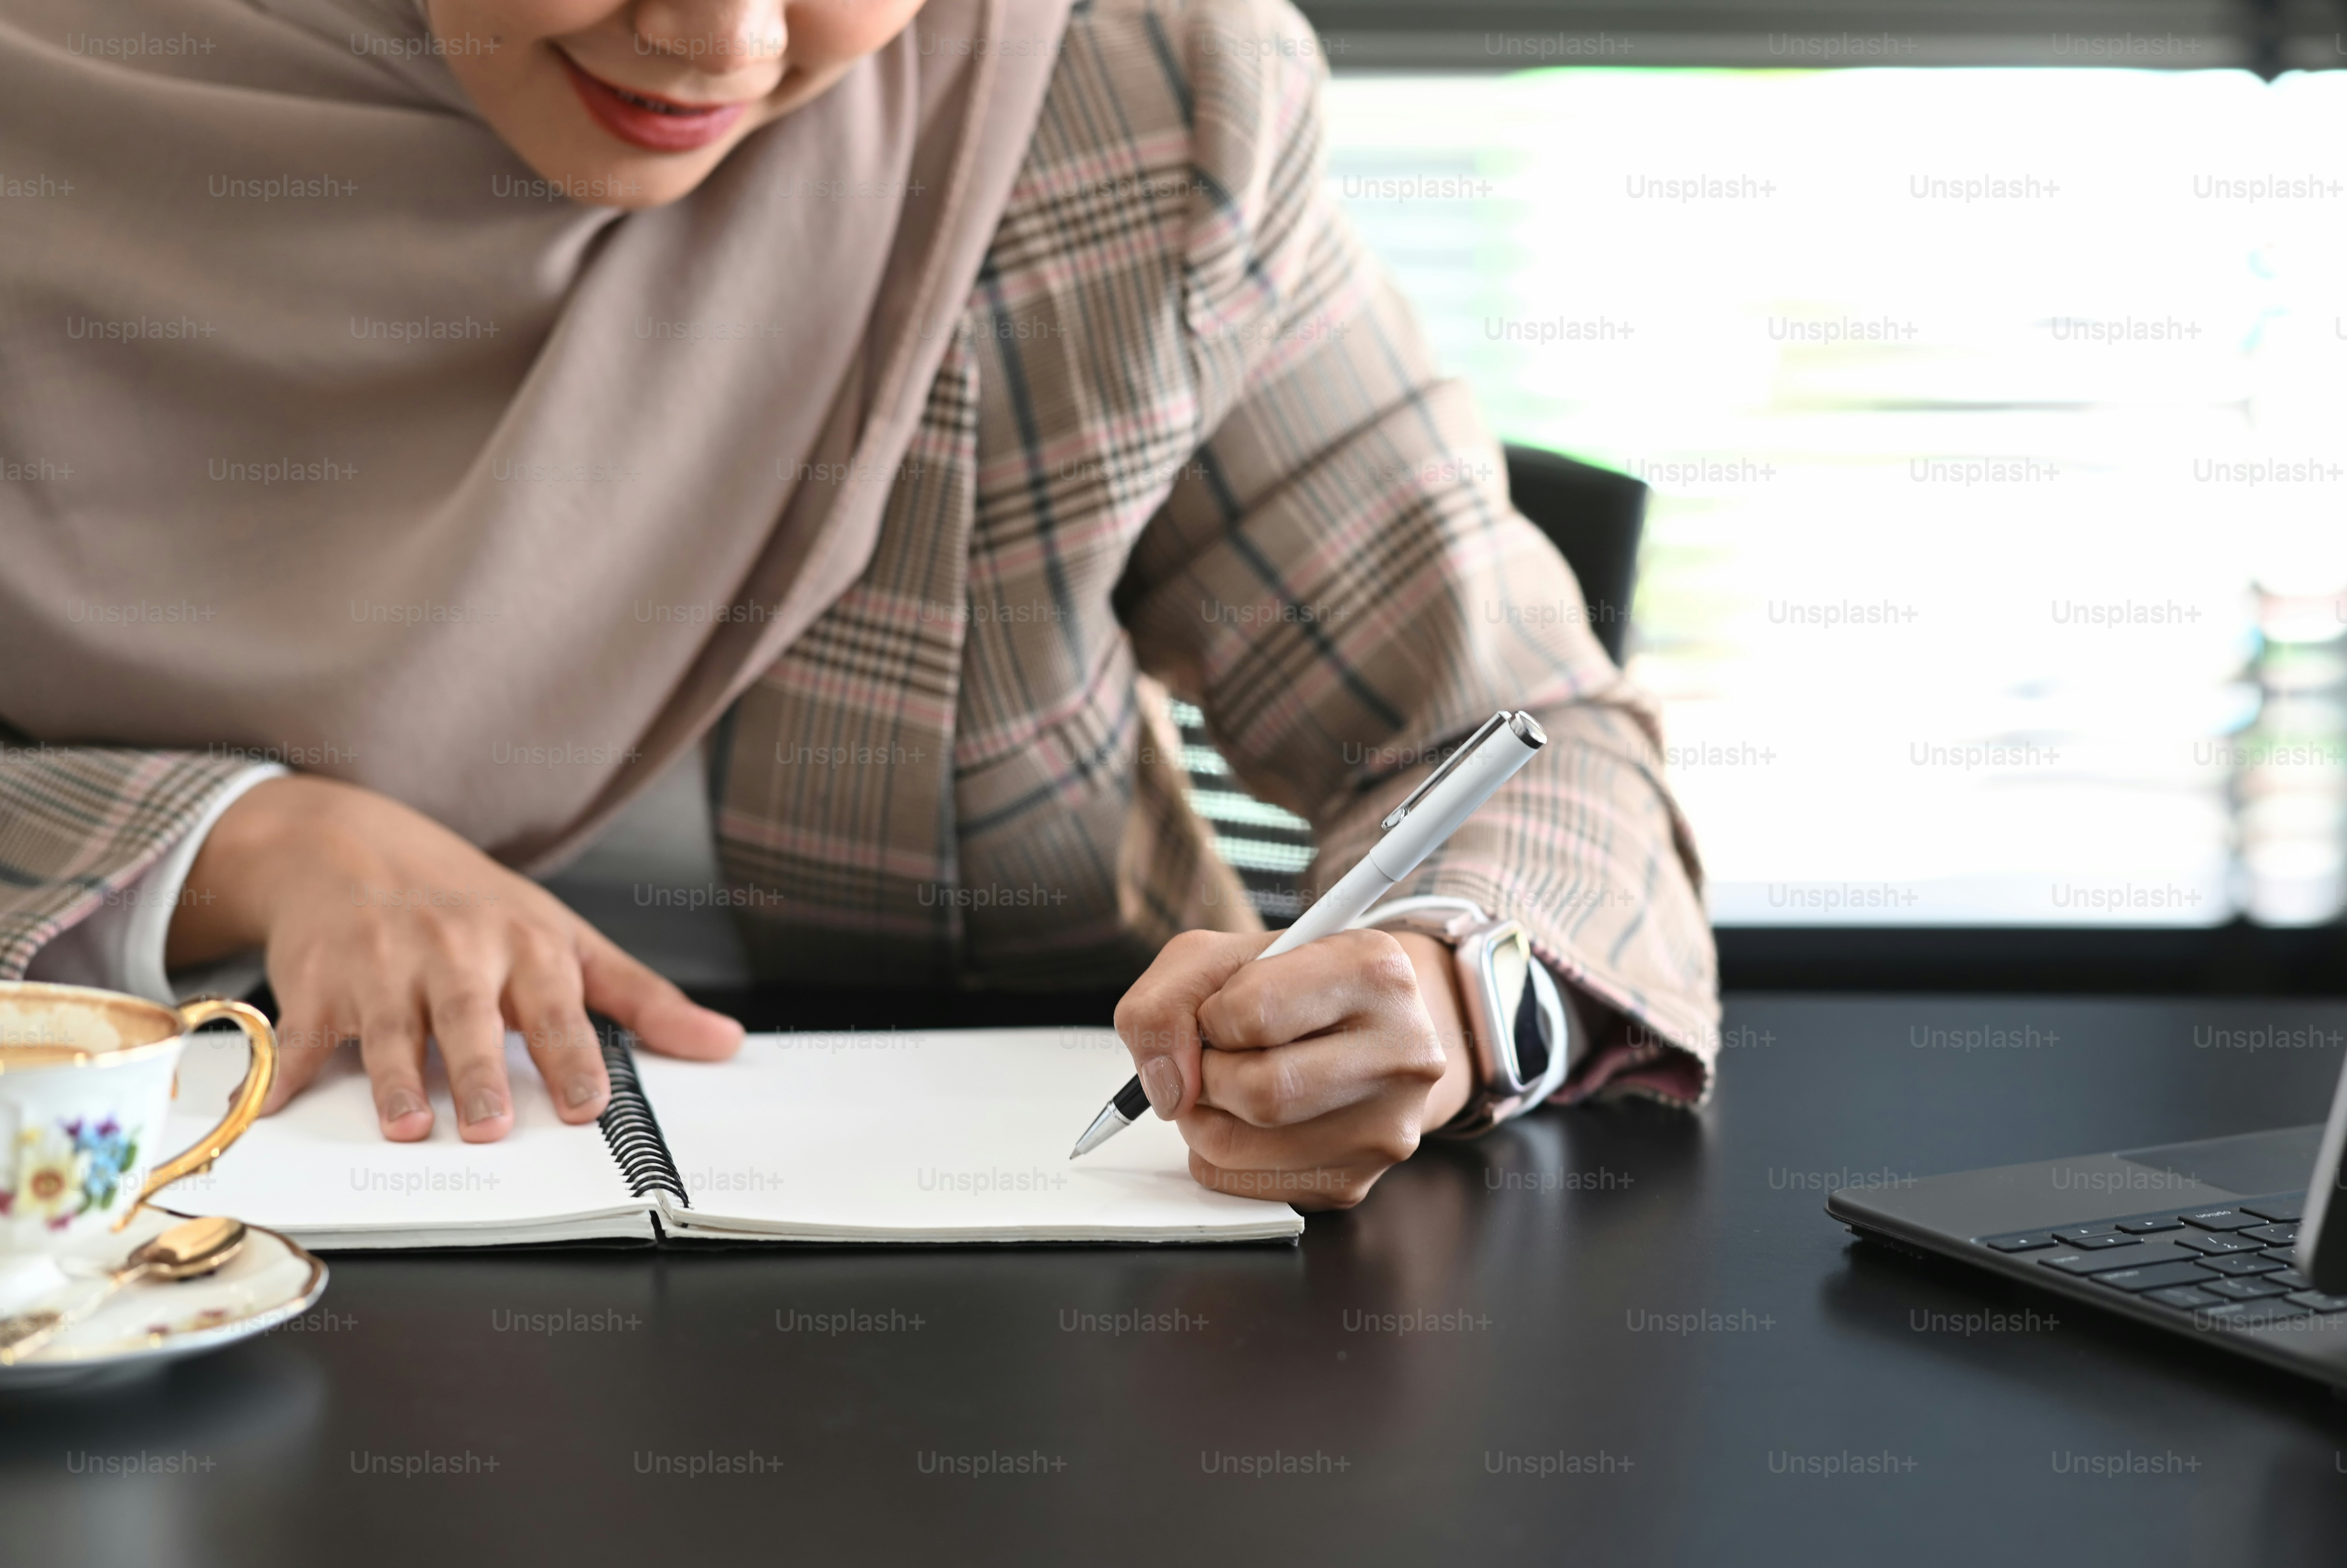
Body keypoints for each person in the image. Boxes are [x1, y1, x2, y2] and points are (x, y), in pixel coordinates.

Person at [0, 0, 1715, 1209]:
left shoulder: (1117, 107)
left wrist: (1444, 986)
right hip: (150, 1300)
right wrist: (241, 843)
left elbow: (1537, 740)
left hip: (990, 1359)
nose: (725, 43)